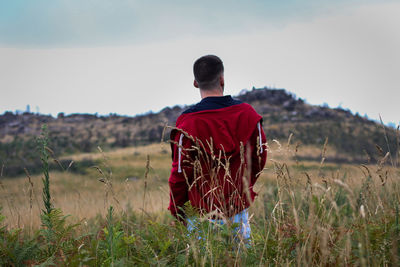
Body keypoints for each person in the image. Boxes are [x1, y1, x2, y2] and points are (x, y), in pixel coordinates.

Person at [168, 55, 267, 241]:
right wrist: (242, 189)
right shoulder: (248, 115)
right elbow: (260, 157)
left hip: (200, 216)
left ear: (196, 83)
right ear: (222, 80)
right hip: (238, 212)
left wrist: (178, 211)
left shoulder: (187, 123)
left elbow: (179, 173)